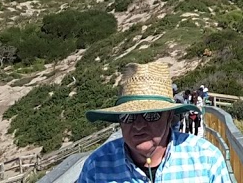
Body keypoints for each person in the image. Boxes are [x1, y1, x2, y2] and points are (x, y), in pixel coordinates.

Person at [78, 61, 228, 183]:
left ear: (169, 116)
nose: (138, 124)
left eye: (150, 115)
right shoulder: (97, 167)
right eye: (128, 116)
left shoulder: (206, 160)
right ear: (119, 120)